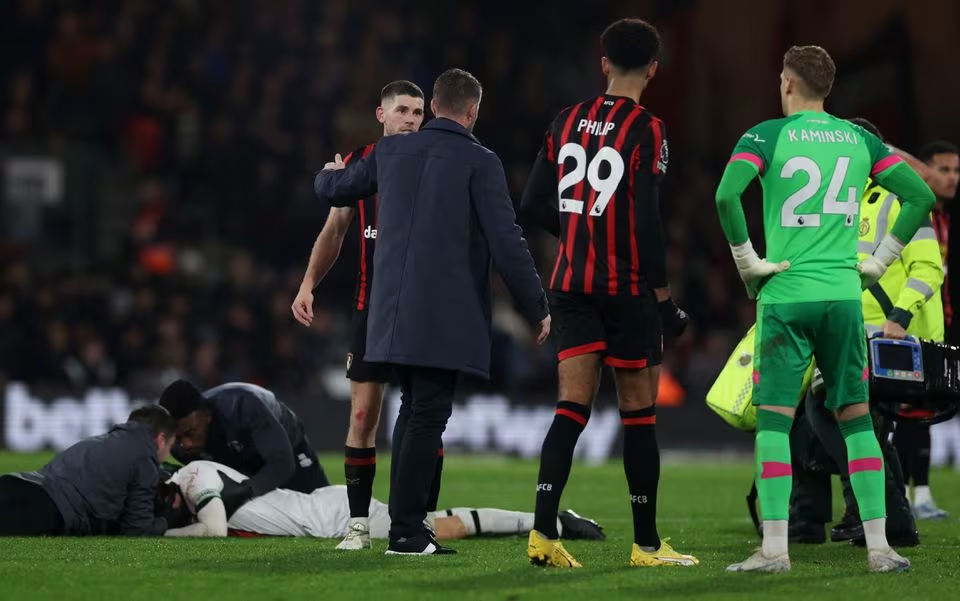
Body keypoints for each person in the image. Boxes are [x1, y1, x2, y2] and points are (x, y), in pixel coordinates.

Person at [715, 45, 935, 573]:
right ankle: (880, 548)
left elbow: (727, 197)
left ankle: (774, 550)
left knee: (774, 420)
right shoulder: (861, 139)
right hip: (842, 299)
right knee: (857, 418)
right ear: (828, 88)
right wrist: (879, 261)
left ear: (787, 82)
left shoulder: (765, 136)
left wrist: (749, 263)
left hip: (787, 295)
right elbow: (921, 196)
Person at [314, 68, 550, 555]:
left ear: (434, 106)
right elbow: (508, 243)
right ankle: (405, 532)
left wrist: (328, 174)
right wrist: (536, 306)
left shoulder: (389, 152)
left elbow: (333, 191)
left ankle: (408, 527)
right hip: (443, 318)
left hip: (390, 315)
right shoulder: (479, 161)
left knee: (412, 415)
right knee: (425, 417)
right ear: (472, 111)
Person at [518, 18, 695, 569]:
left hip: (570, 285)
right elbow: (646, 220)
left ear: (603, 64)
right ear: (653, 69)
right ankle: (646, 545)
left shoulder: (564, 120)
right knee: (638, 413)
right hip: (627, 289)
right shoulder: (648, 128)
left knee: (571, 408)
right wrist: (664, 301)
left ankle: (543, 534)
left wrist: (577, 232)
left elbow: (529, 206)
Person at [291, 80, 433, 551]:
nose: (412, 120)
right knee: (362, 414)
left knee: (425, 418)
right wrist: (309, 283)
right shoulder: (359, 165)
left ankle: (418, 520)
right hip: (370, 310)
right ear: (381, 114)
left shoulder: (436, 162)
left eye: (419, 113)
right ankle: (357, 526)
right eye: (404, 111)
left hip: (421, 312)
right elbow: (334, 229)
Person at [789, 118, 934, 548]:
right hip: (838, 330)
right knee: (818, 421)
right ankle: (813, 520)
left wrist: (901, 318)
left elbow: (927, 267)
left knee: (831, 415)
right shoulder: (836, 203)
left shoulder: (898, 200)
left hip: (886, 340)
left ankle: (877, 514)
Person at [159, 460, 605, 543]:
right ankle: (551, 519)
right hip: (322, 509)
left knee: (441, 525)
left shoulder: (192, 475)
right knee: (436, 521)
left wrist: (163, 532)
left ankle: (553, 521)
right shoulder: (193, 476)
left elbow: (214, 529)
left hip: (331, 517)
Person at [892, 140, 958, 521]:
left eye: (955, 171)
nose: (950, 178)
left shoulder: (941, 217)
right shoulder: (910, 212)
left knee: (924, 409)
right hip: (908, 323)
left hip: (934, 323)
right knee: (905, 411)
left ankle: (921, 495)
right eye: (943, 170)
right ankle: (904, 495)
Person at [158, 380, 328, 516]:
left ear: (207, 416)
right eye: (178, 438)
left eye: (190, 432)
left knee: (322, 505)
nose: (185, 444)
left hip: (288, 447)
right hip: (239, 457)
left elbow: (283, 463)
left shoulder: (243, 407)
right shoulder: (177, 447)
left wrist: (245, 491)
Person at [0, 405, 176, 536]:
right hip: (45, 510)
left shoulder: (101, 441)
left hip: (20, 482)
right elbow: (137, 530)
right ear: (161, 439)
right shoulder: (144, 459)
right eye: (170, 446)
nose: (168, 454)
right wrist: (167, 521)